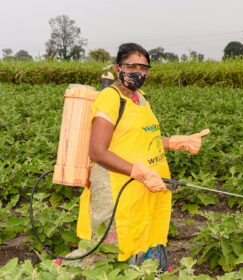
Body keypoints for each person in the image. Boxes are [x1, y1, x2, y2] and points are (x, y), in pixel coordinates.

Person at [67, 43, 210, 272]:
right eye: (131, 66)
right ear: (117, 68)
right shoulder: (110, 98)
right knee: (107, 250)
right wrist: (138, 172)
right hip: (116, 186)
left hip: (143, 186)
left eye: (144, 68)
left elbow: (143, 137)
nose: (138, 72)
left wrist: (174, 141)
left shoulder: (140, 98)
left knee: (140, 234)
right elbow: (98, 151)